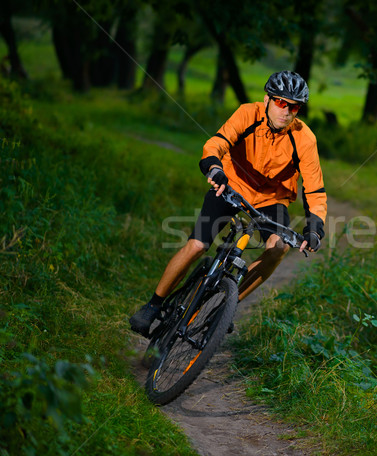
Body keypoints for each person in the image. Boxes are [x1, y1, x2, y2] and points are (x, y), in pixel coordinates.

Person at [129, 71, 327, 336]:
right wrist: (213, 167)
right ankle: (153, 305)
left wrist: (314, 228)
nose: (287, 111)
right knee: (198, 244)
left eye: (294, 107)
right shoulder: (247, 114)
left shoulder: (304, 138)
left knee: (278, 247)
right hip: (231, 185)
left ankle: (226, 306)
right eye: (281, 102)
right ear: (267, 99)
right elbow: (218, 142)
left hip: (271, 199)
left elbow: (314, 189)